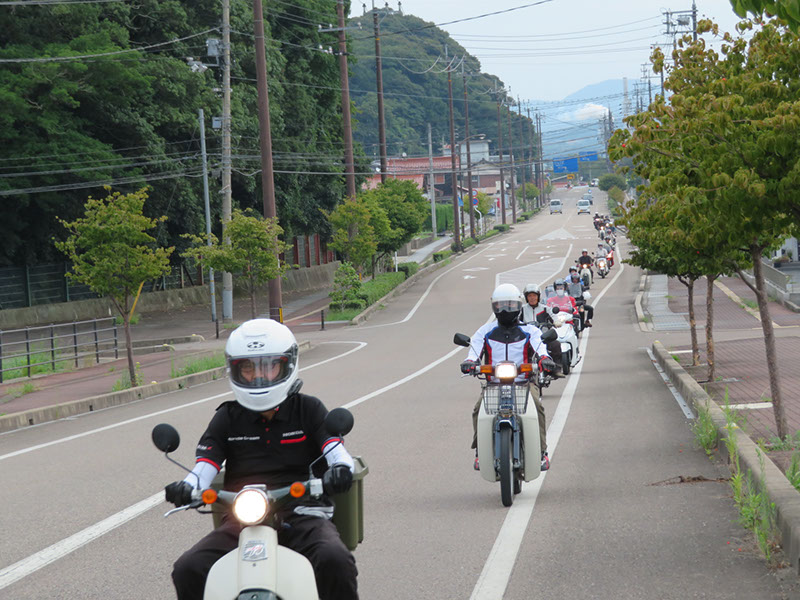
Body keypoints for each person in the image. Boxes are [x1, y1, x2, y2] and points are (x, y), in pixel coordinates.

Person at [165, 319, 359, 600]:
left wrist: (340, 469)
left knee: (335, 559)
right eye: (247, 368)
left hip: (303, 513)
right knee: (188, 568)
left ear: (287, 365)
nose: (258, 376)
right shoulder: (227, 417)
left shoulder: (308, 409)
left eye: (268, 366)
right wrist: (187, 487)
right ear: (235, 369)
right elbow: (204, 467)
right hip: (243, 520)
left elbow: (336, 451)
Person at [460, 284, 556, 472]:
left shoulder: (530, 331)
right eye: (501, 305)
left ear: (518, 305)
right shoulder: (485, 331)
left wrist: (545, 359)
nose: (505, 310)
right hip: (493, 385)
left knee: (538, 409)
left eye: (510, 305)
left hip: (524, 383)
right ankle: (480, 451)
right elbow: (473, 352)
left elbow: (541, 348)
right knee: (478, 410)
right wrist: (469, 362)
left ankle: (542, 452)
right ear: (494, 306)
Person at [521, 283, 563, 366]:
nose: (532, 298)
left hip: (543, 337)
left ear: (538, 296)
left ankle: (557, 367)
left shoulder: (545, 308)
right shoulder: (522, 309)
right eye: (529, 296)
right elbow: (515, 319)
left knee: (556, 345)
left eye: (534, 295)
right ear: (526, 297)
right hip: (527, 337)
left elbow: (553, 316)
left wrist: (556, 321)